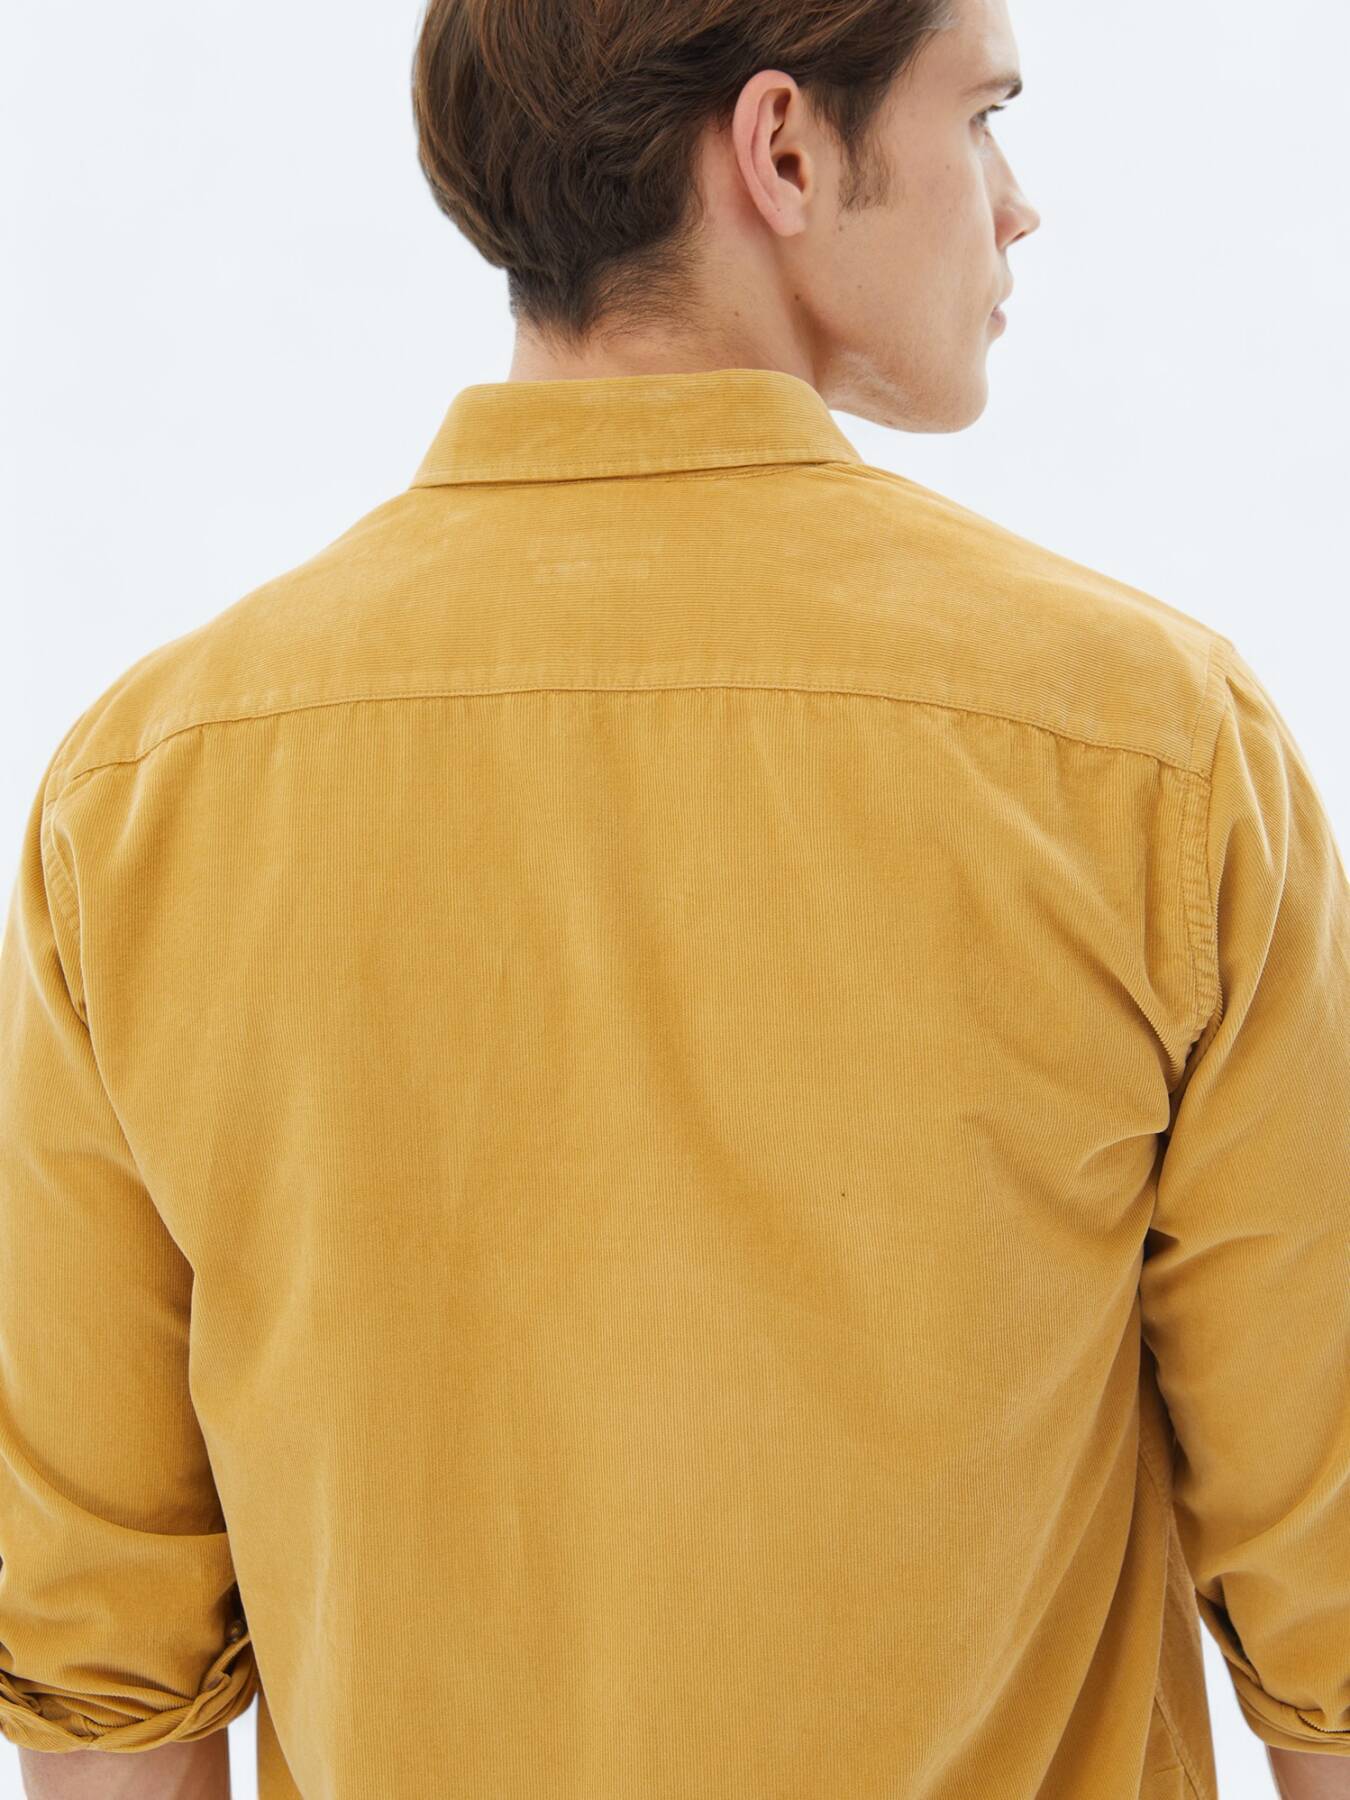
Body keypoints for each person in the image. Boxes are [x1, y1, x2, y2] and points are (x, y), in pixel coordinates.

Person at [2, 0, 1346, 1795]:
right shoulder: (1146, 752)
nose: (1015, 201)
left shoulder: (145, 790)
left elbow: (107, 1681)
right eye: (979, 117)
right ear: (781, 148)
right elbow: (1329, 1600)